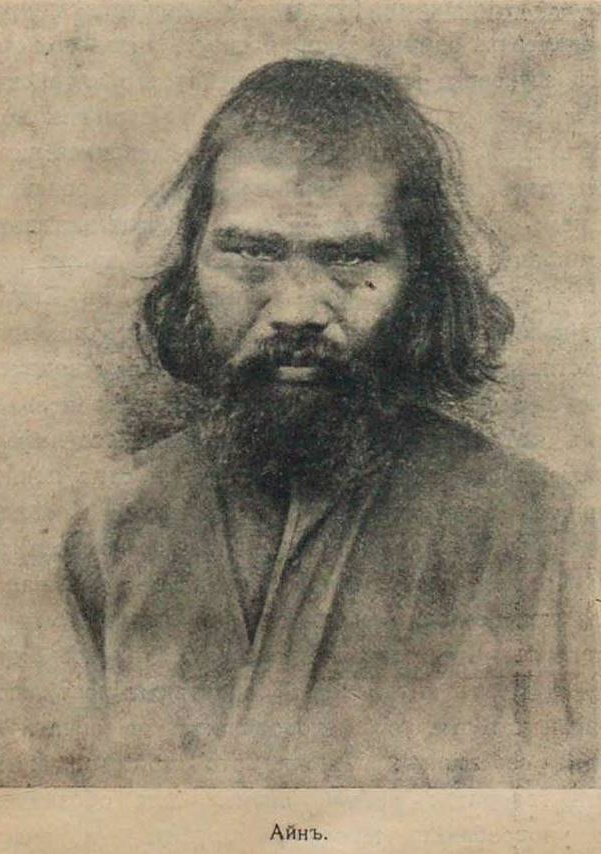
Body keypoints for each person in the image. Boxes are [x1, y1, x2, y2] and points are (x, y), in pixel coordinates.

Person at [61, 57, 597, 787]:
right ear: (193, 262)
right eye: (252, 253)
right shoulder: (109, 528)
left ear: (420, 280)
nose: (296, 310)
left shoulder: (534, 527)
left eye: (349, 259)